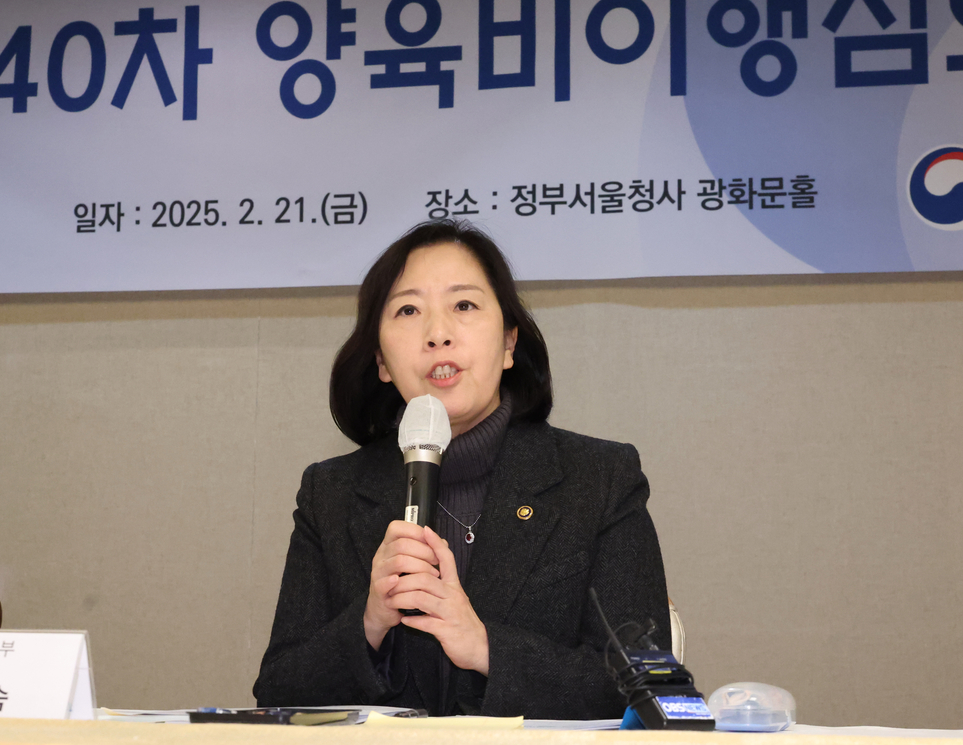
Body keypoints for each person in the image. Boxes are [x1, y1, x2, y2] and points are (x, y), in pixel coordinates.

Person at [253, 220, 670, 718]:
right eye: (408, 310)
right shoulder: (332, 492)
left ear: (510, 343)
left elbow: (647, 685)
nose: (438, 334)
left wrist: (486, 648)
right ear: (382, 361)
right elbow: (277, 691)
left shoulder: (599, 479)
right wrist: (369, 623)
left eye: (464, 305)